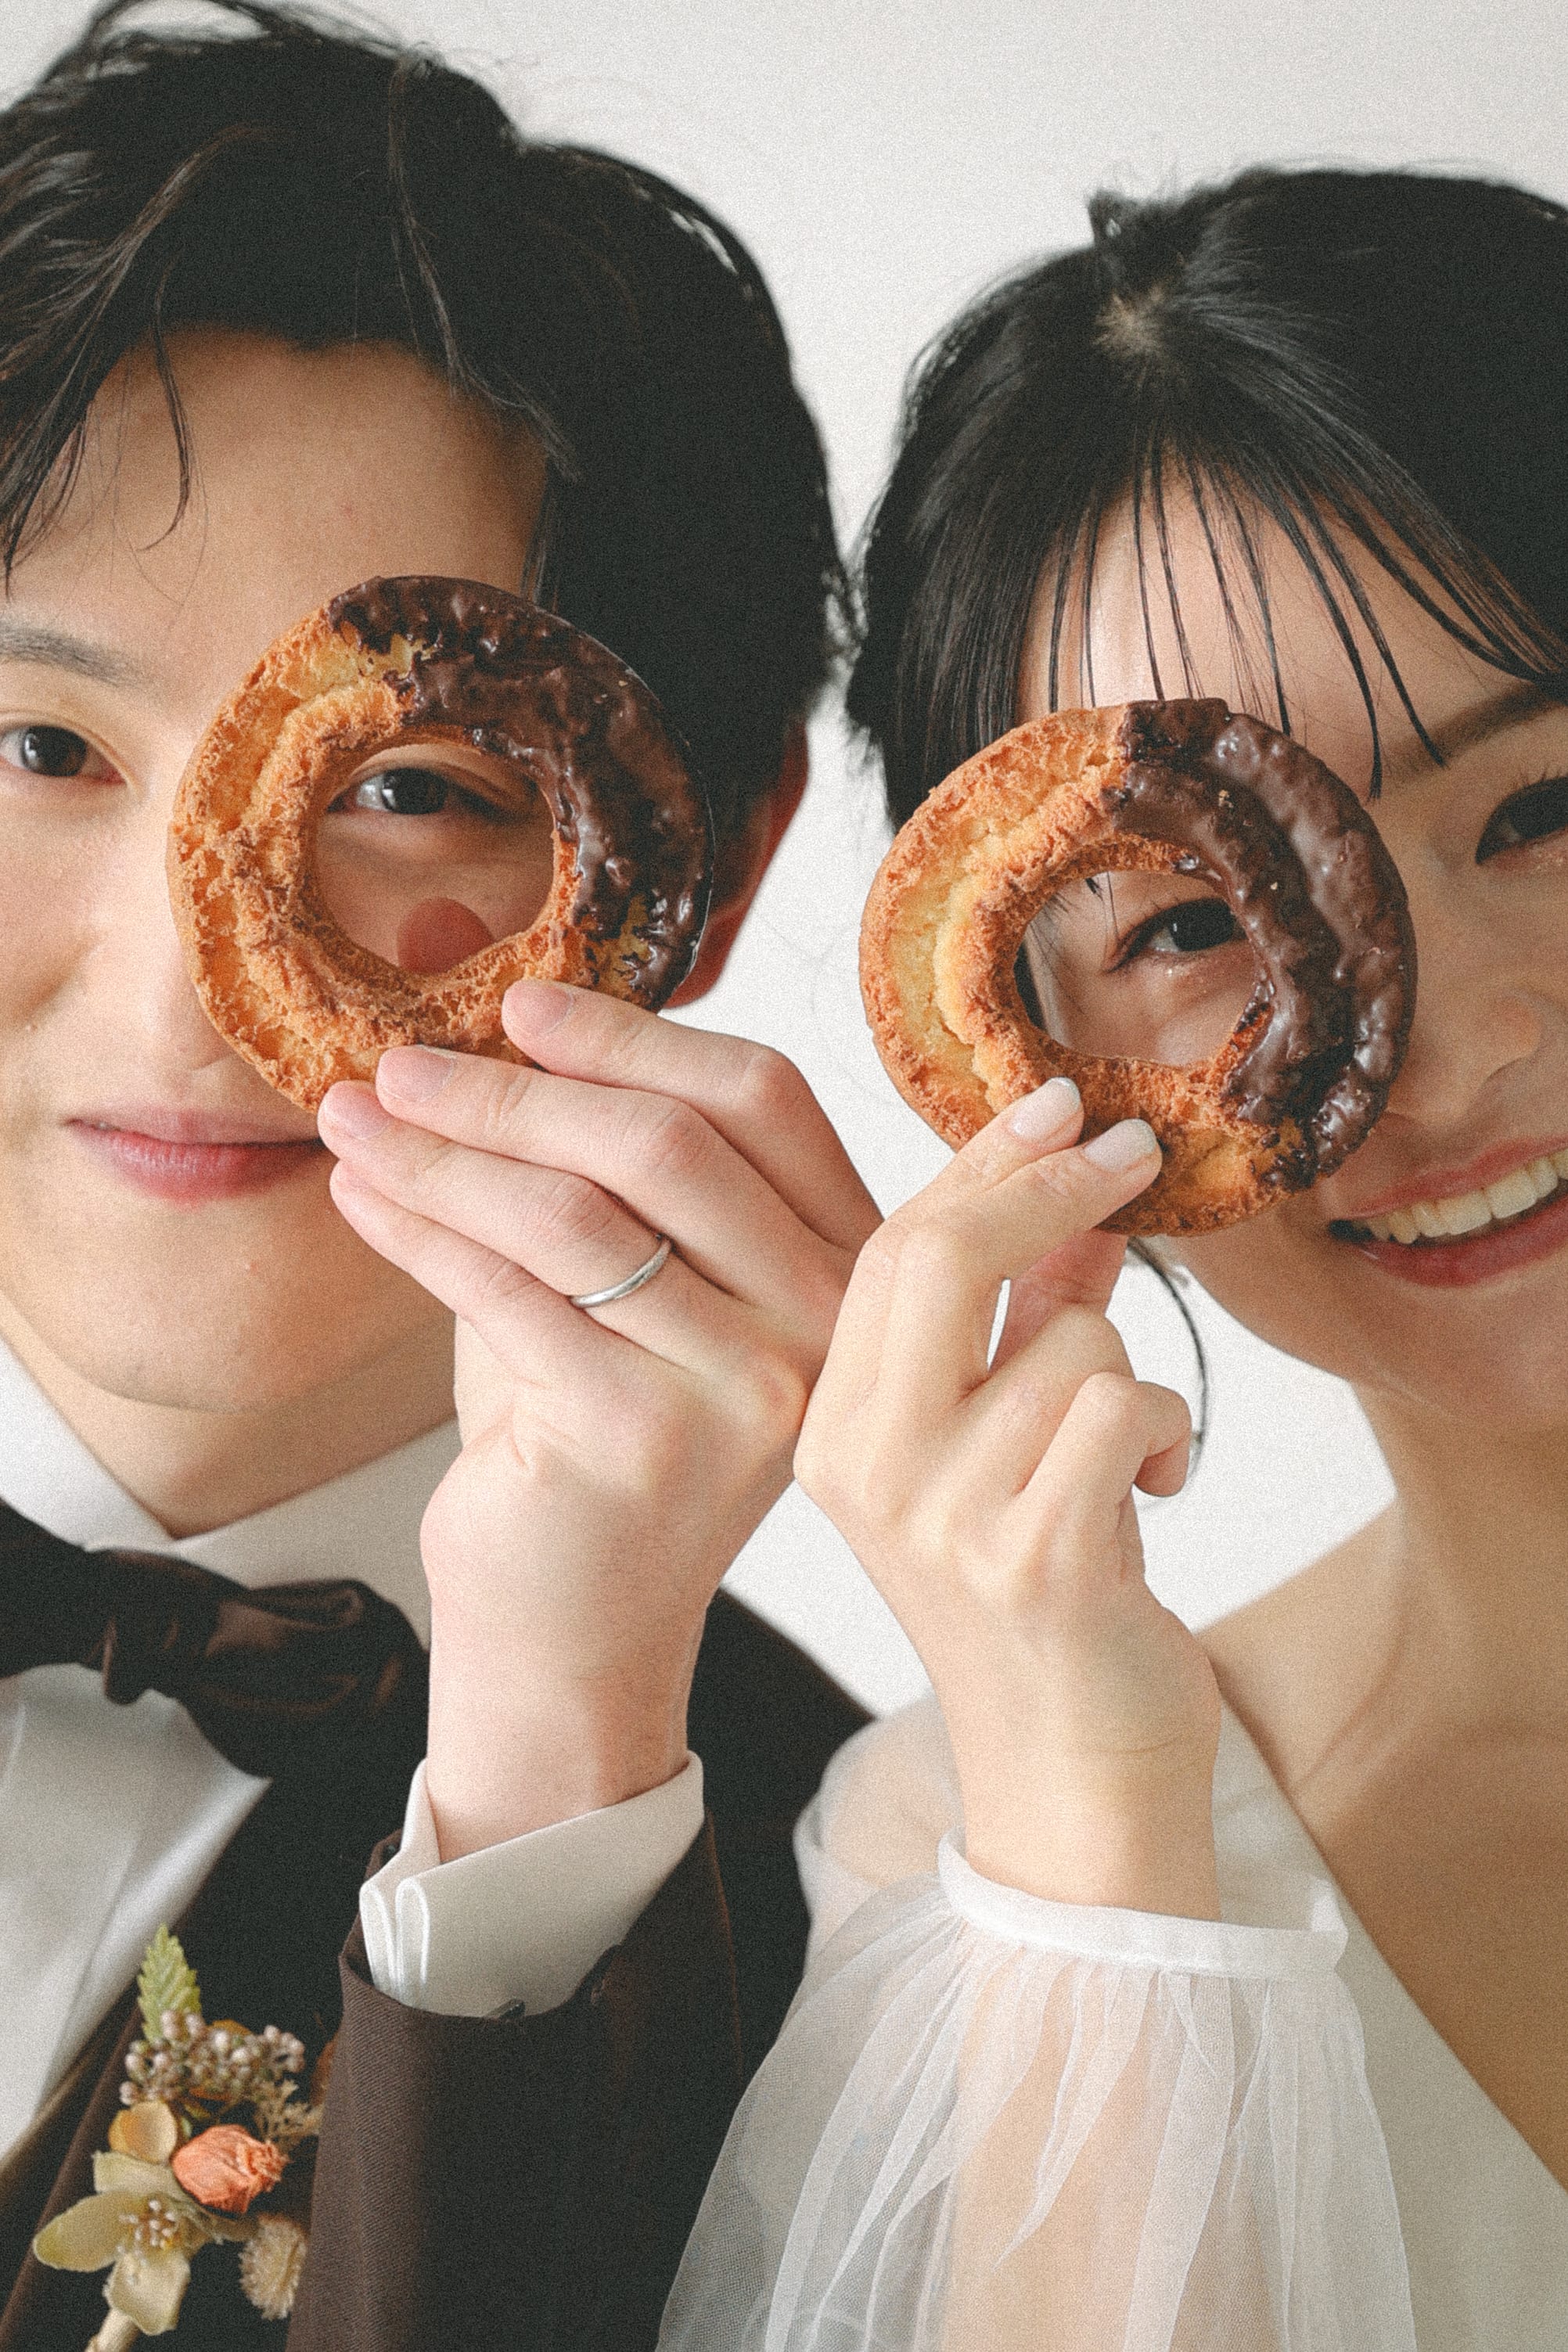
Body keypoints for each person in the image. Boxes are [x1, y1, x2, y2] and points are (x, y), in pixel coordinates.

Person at [0, 4, 879, 2346]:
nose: (183, 998)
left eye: (410, 791)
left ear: (693, 867)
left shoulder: (881, 1921)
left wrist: (544, 1776)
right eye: (41, 745)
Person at [660, 168, 1568, 2350]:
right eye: (1190, 920)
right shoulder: (971, 1844)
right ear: (1025, 1062)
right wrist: (1097, 1822)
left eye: (1542, 814)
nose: (1450, 1049)